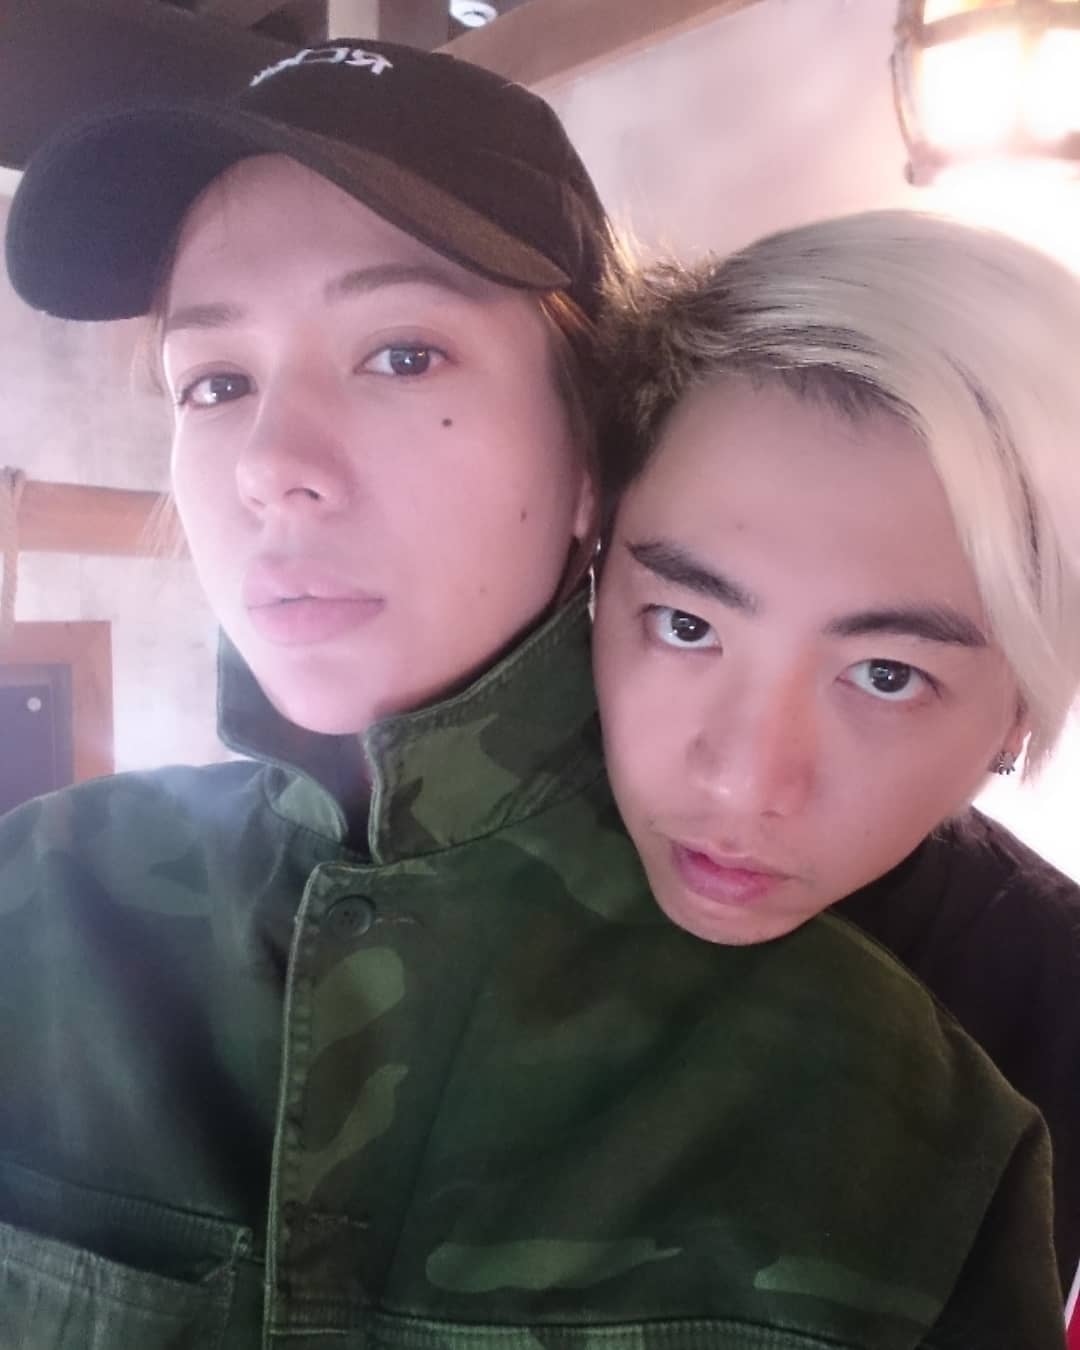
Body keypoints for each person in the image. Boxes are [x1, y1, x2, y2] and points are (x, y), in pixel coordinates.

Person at [0, 41, 1064, 1348]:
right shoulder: (37, 909)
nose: (271, 462)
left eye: (403, 354)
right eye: (215, 381)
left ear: (591, 459)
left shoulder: (899, 1111)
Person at [593, 207, 1080, 1299]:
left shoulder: (1051, 1016)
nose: (743, 781)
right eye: (687, 623)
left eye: (887, 676)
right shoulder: (431, 882)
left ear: (1018, 711)